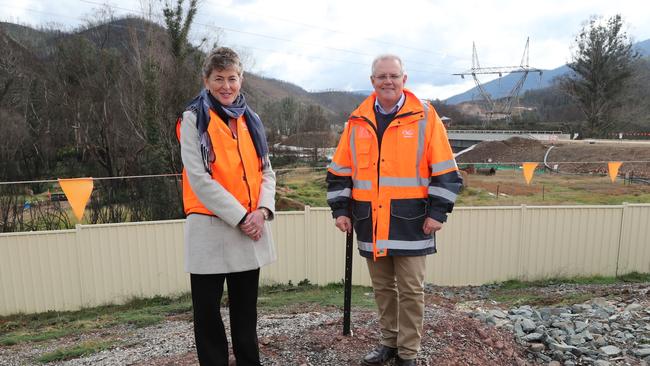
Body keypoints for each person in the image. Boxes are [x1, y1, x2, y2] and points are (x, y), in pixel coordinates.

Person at [327, 54, 462, 366]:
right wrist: (340, 210)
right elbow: (339, 171)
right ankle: (389, 343)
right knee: (383, 288)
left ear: (405, 79)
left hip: (414, 221)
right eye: (381, 76)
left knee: (412, 290)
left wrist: (438, 213)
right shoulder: (356, 121)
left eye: (393, 76)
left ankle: (408, 353)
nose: (388, 81)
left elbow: (446, 171)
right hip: (370, 221)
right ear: (372, 81)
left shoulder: (426, 117)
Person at [177, 47, 276, 366]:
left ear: (241, 79)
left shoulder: (252, 119)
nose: (226, 86)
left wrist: (262, 212)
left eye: (232, 78)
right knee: (207, 316)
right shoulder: (193, 119)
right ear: (206, 81)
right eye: (218, 79)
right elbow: (199, 179)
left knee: (246, 315)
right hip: (209, 230)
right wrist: (242, 217)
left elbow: (267, 172)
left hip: (250, 229)